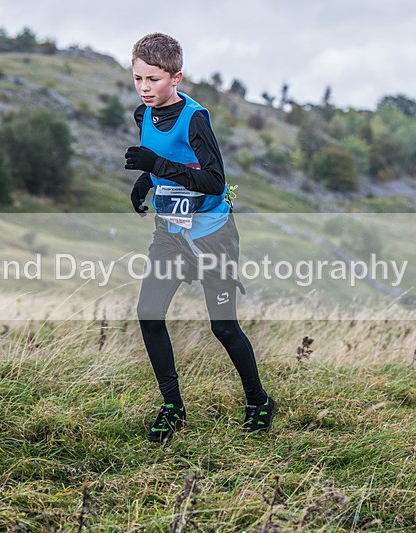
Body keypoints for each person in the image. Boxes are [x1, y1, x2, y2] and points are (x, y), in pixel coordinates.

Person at [124, 33, 276, 443]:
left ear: (176, 77)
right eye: (138, 78)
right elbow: (171, 163)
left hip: (212, 237)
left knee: (223, 328)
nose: (144, 88)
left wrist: (154, 162)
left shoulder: (195, 118)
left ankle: (258, 400)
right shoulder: (144, 115)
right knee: (149, 314)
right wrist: (146, 181)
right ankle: (172, 407)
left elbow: (213, 181)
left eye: (153, 80)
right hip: (171, 233)